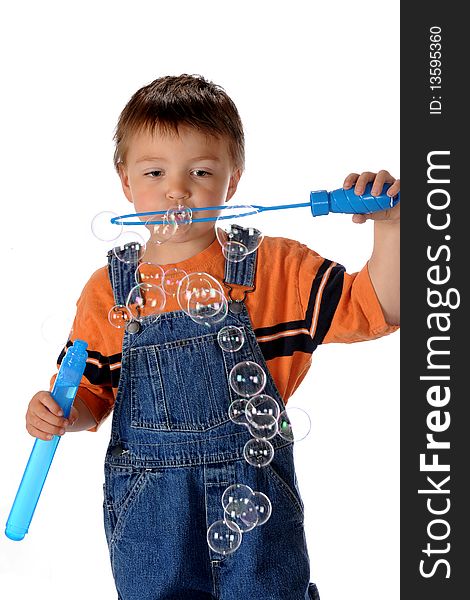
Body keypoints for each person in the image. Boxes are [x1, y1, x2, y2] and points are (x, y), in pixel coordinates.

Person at [25, 74, 400, 600]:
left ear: (234, 179)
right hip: (152, 515)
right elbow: (89, 393)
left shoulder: (271, 268)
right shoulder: (109, 291)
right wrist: (60, 412)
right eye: (155, 171)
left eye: (200, 171)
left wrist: (395, 226)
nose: (177, 189)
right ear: (126, 182)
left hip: (255, 501)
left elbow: (380, 306)